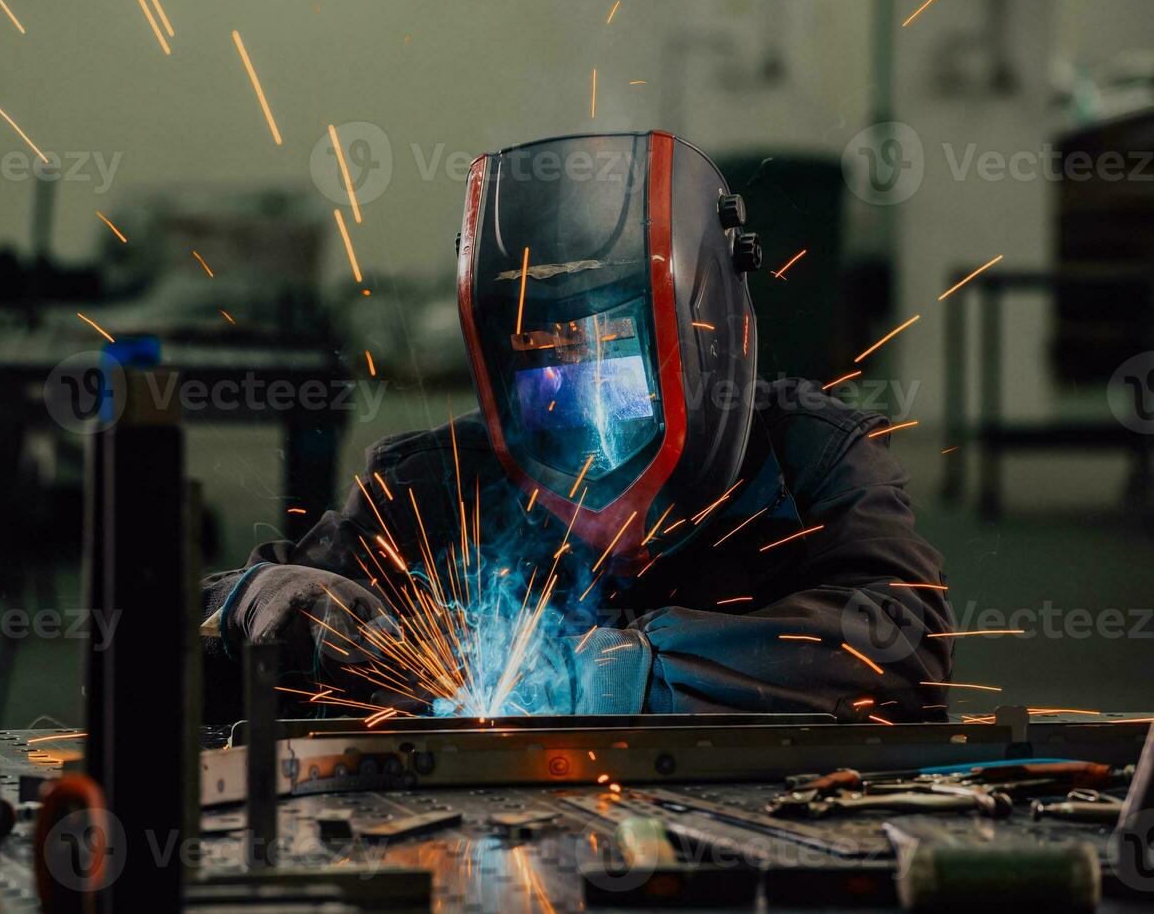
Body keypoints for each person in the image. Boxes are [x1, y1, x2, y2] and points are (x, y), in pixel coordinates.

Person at [202, 132, 953, 722]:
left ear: (702, 344)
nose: (587, 414)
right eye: (548, 376)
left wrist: (625, 671)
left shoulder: (813, 457)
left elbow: (902, 644)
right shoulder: (442, 482)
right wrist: (250, 603)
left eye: (617, 372)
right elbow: (172, 650)